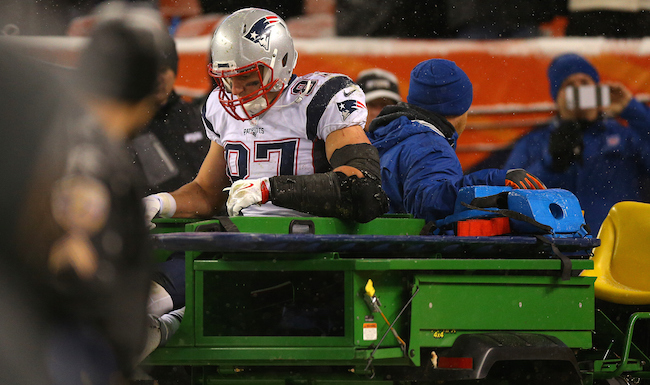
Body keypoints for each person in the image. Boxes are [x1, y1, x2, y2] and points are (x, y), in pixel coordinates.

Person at [139, 7, 388, 359]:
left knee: (219, 273)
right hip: (237, 241)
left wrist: (274, 188)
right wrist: (162, 202)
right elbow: (206, 192)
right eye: (228, 78)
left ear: (281, 62)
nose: (236, 90)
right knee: (145, 293)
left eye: (249, 78)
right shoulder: (219, 107)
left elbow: (364, 188)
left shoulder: (320, 98)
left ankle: (170, 324)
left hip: (304, 246)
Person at [4, 2, 169, 383]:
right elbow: (77, 265)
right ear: (150, 90)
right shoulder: (89, 153)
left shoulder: (48, 129)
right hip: (59, 350)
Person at [366, 58, 545, 224]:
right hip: (406, 255)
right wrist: (495, 180)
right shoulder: (431, 146)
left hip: (377, 250)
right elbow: (430, 203)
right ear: (459, 108)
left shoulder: (390, 134)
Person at [504, 53, 650, 233]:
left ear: (597, 91)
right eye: (569, 85)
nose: (578, 90)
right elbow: (510, 195)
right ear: (557, 97)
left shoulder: (625, 135)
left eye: (584, 83)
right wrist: (551, 164)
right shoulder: (534, 143)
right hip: (559, 250)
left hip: (618, 245)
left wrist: (632, 109)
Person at [129, 31, 210, 196]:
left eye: (163, 70)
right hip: (155, 217)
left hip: (202, 214)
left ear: (174, 71)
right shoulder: (129, 124)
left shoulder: (195, 115)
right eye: (151, 72)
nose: (158, 79)